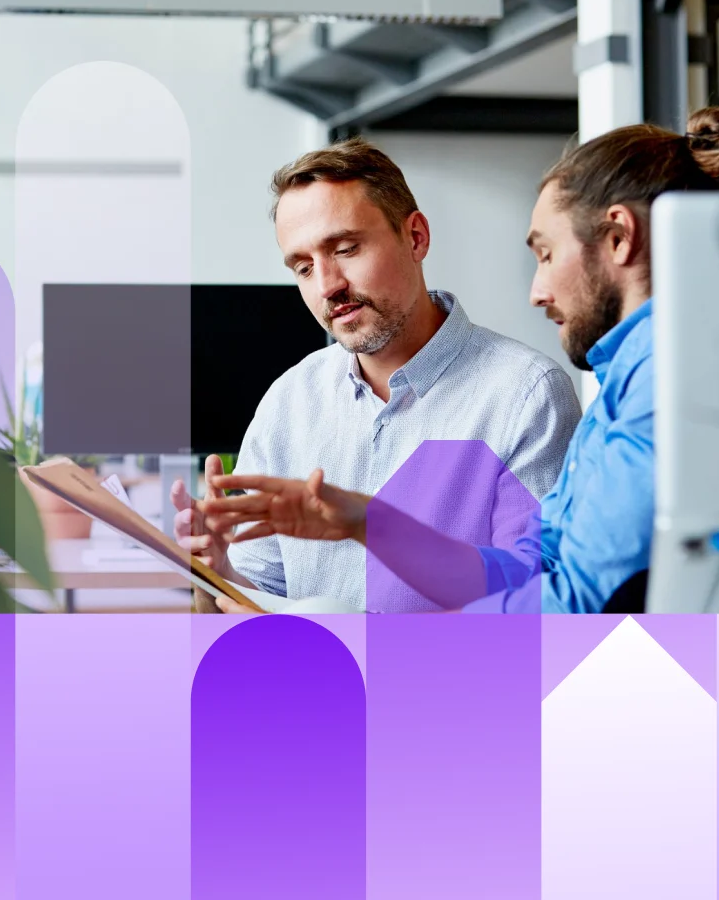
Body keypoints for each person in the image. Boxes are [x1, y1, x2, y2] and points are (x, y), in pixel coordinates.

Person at [206, 107, 719, 615]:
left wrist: (394, 663)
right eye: (301, 266)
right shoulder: (619, 389)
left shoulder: (662, 385)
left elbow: (575, 607)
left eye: (545, 254)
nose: (537, 291)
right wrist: (364, 523)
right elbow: (528, 570)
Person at [172, 139, 580, 613]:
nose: (328, 286)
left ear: (416, 237)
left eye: (345, 249)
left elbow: (537, 608)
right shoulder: (289, 403)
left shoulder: (526, 396)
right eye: (303, 268)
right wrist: (215, 573)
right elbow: (254, 607)